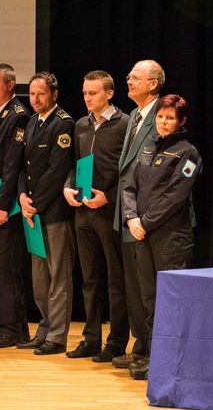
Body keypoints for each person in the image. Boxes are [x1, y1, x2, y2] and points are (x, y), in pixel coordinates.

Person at [121, 94, 201, 380]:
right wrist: (131, 217)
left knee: (171, 300)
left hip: (171, 237)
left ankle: (170, 360)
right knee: (149, 297)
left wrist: (144, 221)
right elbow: (128, 185)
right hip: (142, 234)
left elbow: (175, 196)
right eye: (161, 117)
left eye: (170, 118)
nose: (164, 122)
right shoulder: (147, 147)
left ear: (181, 122)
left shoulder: (188, 153)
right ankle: (153, 356)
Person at [63, 71, 130, 362]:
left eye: (93, 93)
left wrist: (109, 197)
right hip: (83, 213)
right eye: (85, 93)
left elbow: (130, 172)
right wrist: (68, 186)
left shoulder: (124, 124)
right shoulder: (81, 124)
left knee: (116, 280)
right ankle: (91, 339)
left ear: (109, 93)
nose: (88, 98)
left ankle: (116, 342)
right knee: (89, 279)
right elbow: (75, 164)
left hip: (109, 212)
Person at [17, 72, 76, 356]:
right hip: (32, 211)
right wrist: (21, 197)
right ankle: (44, 329)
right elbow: (23, 167)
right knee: (39, 280)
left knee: (58, 277)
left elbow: (58, 171)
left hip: (53, 212)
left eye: (41, 93)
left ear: (54, 94)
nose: (36, 99)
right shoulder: (31, 122)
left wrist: (35, 204)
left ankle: (57, 336)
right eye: (32, 94)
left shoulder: (64, 124)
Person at [112, 59, 164, 371]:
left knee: (149, 290)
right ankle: (141, 346)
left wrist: (139, 216)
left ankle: (155, 352)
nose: (129, 81)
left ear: (153, 84)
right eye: (129, 76)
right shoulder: (134, 115)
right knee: (133, 288)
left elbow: (157, 173)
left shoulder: (162, 115)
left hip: (147, 218)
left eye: (135, 77)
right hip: (127, 213)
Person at [0, 64, 32, 349]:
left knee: (7, 265)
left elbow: (12, 165)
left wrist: (1, 205)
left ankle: (13, 330)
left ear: (10, 85)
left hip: (8, 205)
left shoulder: (18, 115)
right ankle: (11, 327)